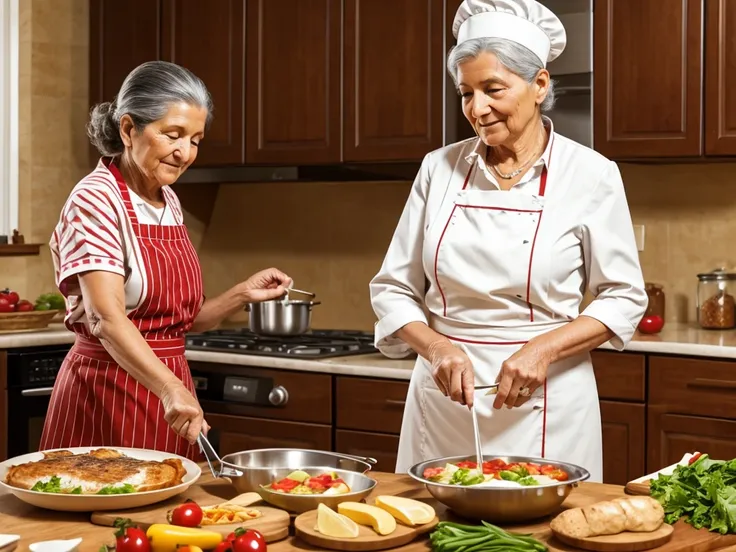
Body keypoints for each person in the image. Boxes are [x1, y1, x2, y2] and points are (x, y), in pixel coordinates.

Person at [369, 0, 647, 481]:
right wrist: (435, 347)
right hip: (444, 396)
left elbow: (623, 297)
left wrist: (542, 350)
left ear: (539, 85)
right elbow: (392, 289)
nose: (477, 109)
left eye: (493, 89)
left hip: (550, 400)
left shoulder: (591, 174)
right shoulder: (439, 168)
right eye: (466, 93)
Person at [40, 61, 292, 459]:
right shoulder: (95, 200)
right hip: (107, 392)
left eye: (195, 139)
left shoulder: (168, 200)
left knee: (171, 517)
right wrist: (169, 387)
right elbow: (106, 319)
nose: (185, 152)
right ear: (128, 129)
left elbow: (175, 323)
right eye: (172, 135)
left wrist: (241, 295)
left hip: (172, 398)